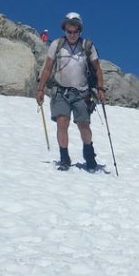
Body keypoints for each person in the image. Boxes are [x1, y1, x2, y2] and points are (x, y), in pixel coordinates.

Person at [35, 12, 106, 170]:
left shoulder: (87, 46)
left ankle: (89, 153)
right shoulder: (57, 45)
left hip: (82, 93)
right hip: (61, 91)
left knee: (84, 125)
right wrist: (40, 89)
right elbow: (47, 69)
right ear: (65, 30)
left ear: (80, 30)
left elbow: (97, 69)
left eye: (75, 31)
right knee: (62, 122)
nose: (72, 34)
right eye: (69, 31)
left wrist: (100, 88)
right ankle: (64, 157)